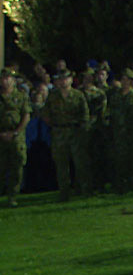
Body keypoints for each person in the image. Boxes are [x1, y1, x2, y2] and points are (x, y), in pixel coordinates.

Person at [41, 68, 89, 201]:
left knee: (80, 163)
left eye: (65, 79)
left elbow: (85, 114)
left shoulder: (78, 95)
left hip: (75, 132)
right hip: (59, 133)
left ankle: (83, 189)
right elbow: (46, 114)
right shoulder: (53, 96)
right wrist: (55, 125)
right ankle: (64, 192)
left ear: (71, 80)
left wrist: (81, 129)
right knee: (61, 164)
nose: (63, 81)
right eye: (60, 79)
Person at [0, 67, 31, 207]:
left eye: (8, 78)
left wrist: (16, 132)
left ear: (13, 80)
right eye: (3, 79)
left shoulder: (21, 96)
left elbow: (26, 115)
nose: (6, 81)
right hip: (1, 135)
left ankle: (12, 196)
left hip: (16, 136)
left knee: (17, 167)